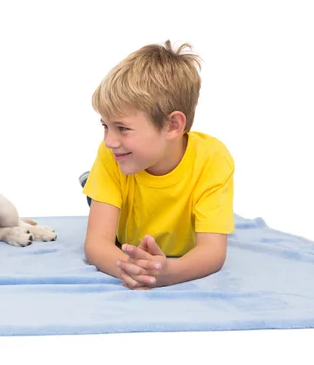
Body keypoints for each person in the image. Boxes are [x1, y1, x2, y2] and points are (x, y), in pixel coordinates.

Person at [80, 40, 234, 290]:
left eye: (122, 128)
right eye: (105, 126)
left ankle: (93, 184)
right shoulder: (110, 153)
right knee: (105, 177)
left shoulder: (213, 158)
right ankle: (93, 184)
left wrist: (169, 272)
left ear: (172, 126)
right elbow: (96, 244)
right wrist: (130, 269)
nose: (109, 141)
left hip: (141, 191)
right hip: (124, 213)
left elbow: (212, 251)